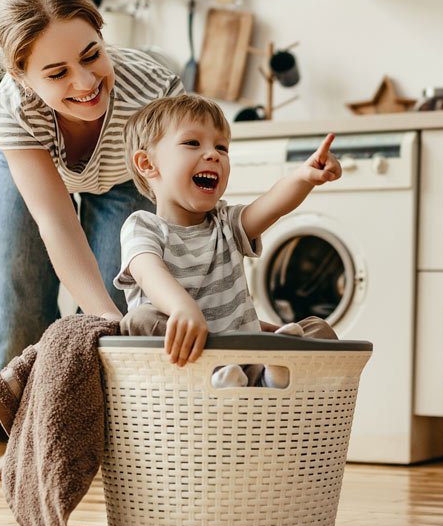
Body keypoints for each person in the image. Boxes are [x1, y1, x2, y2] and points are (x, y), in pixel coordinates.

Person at [0, 0, 182, 481]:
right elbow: (55, 222)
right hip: (39, 165)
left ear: (101, 35)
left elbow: (177, 202)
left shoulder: (153, 88)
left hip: (125, 177)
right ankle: (25, 443)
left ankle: (113, 448)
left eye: (92, 55)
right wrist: (105, 320)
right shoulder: (12, 107)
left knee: (125, 302)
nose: (85, 82)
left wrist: (123, 318)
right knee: (22, 295)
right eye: (57, 72)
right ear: (24, 78)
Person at [114, 94, 342, 386]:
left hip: (246, 354)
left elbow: (272, 204)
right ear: (147, 164)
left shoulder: (226, 223)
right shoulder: (142, 226)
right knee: (139, 322)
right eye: (192, 143)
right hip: (186, 363)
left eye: (221, 147)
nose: (214, 154)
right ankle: (226, 378)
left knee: (317, 329)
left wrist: (304, 177)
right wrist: (183, 308)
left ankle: (272, 375)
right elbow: (149, 273)